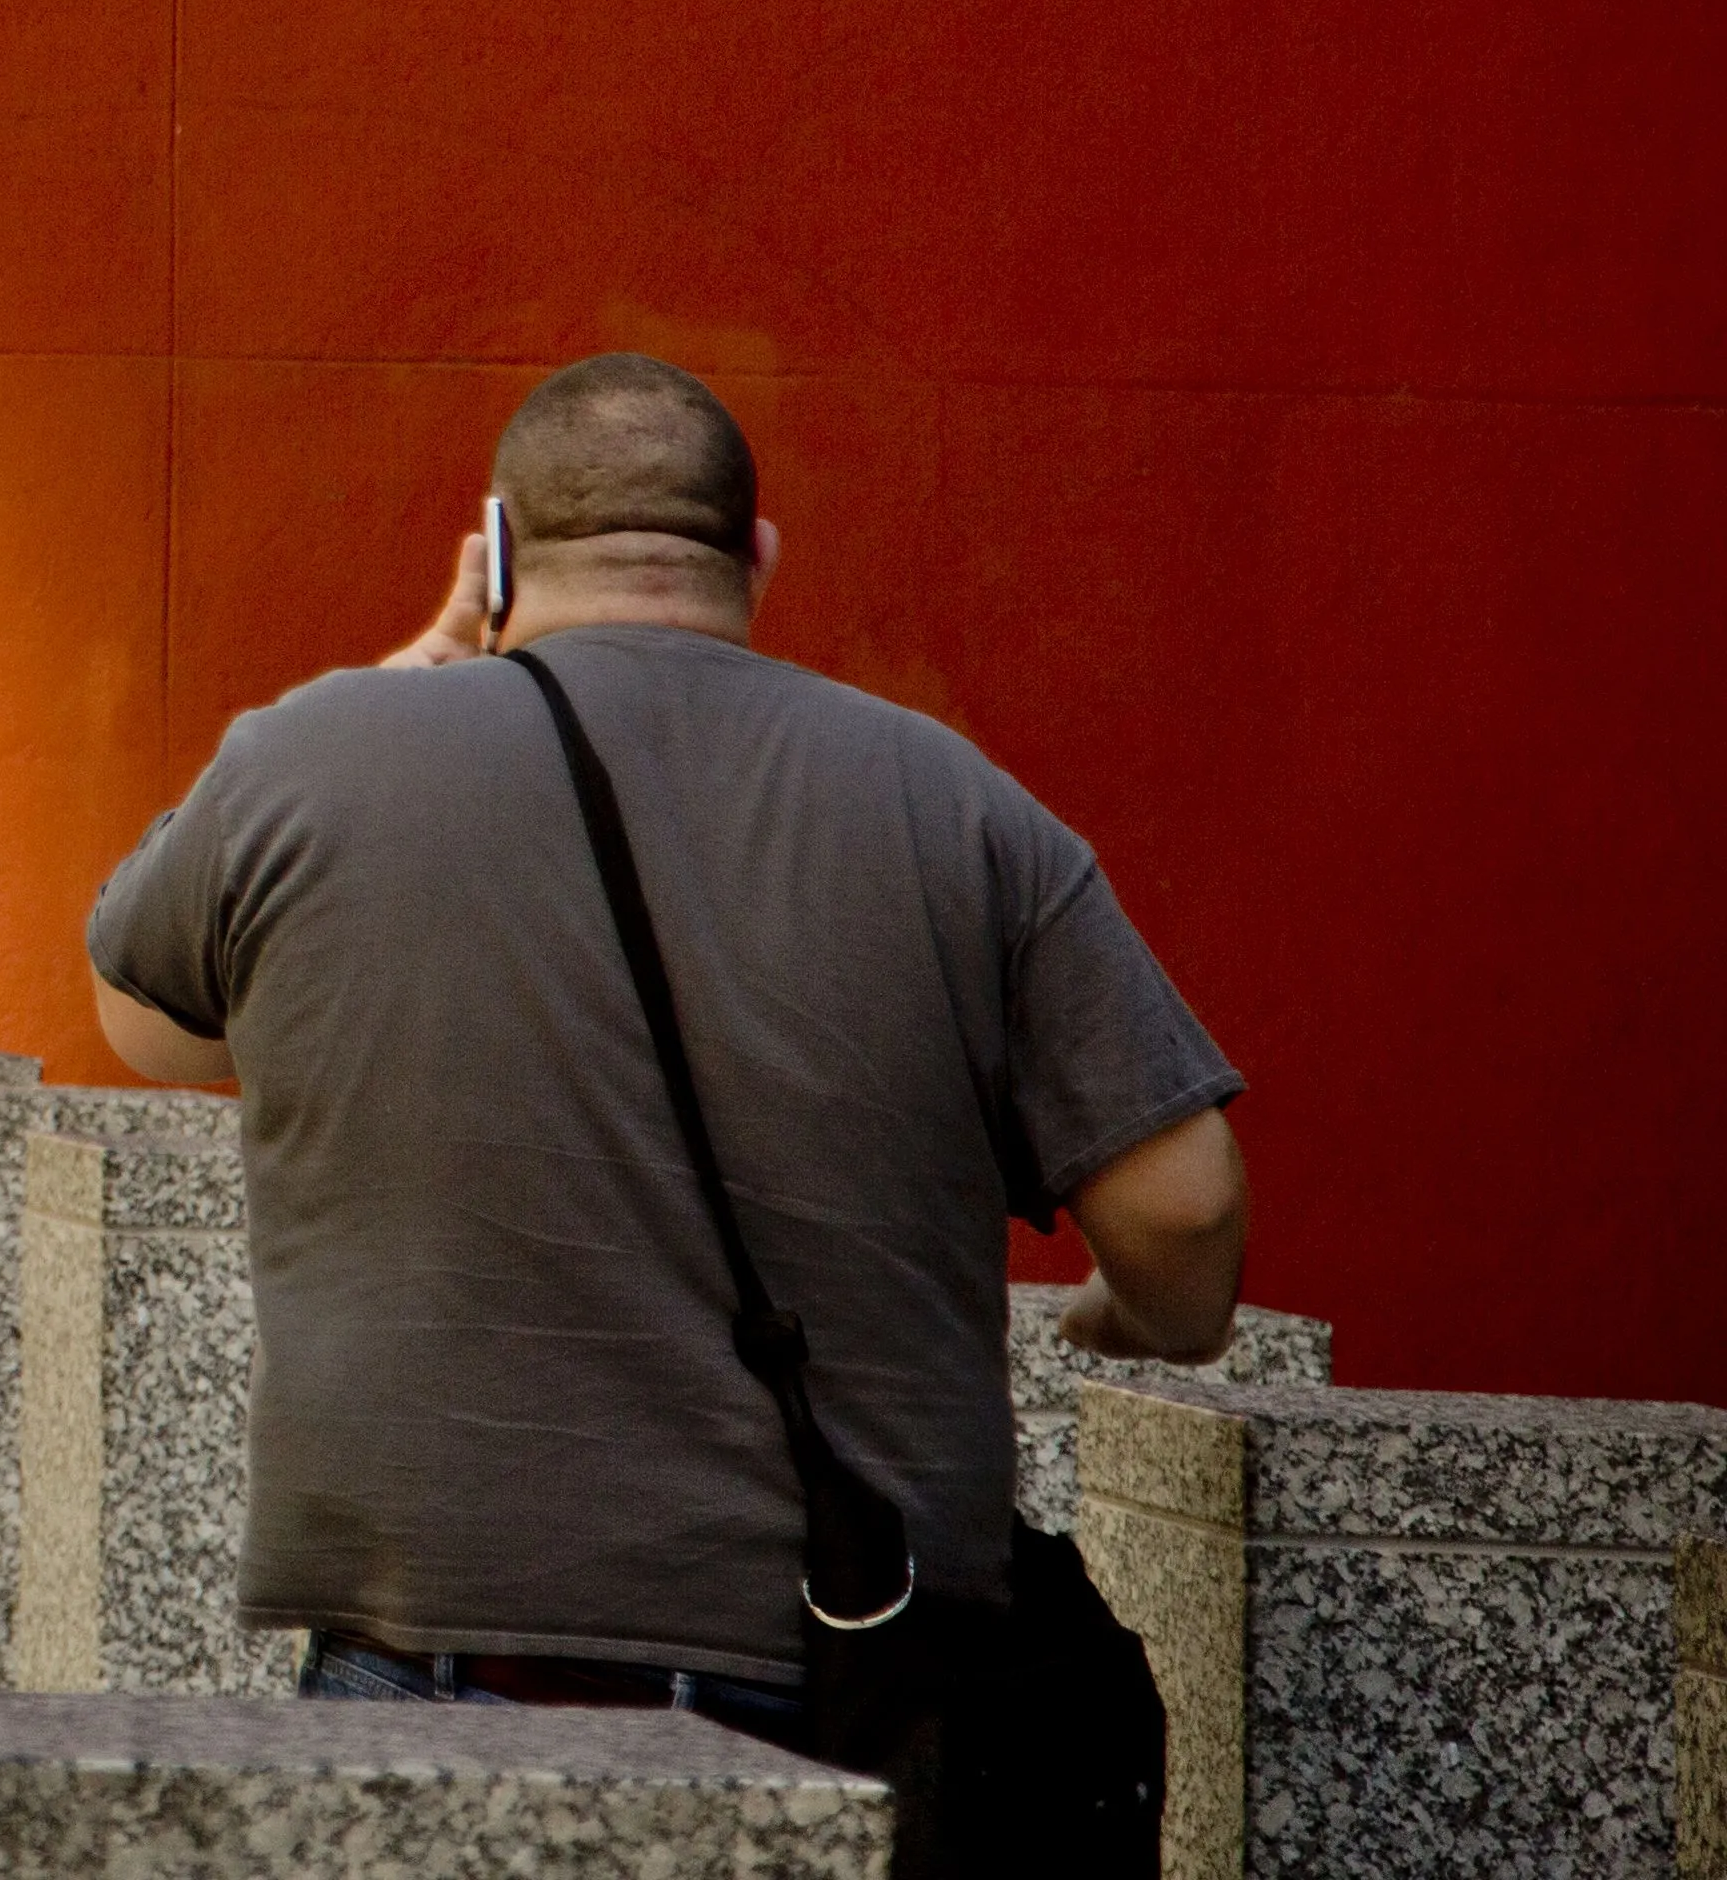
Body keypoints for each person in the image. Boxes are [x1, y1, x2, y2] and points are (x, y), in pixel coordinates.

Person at [83, 352, 1250, 1783]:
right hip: (843, 1693)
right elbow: (1185, 1209)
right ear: (755, 552)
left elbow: (148, 1020)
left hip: (440, 1679)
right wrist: (1123, 1323)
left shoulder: (310, 764)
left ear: (498, 551)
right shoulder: (958, 804)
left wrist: (431, 659)